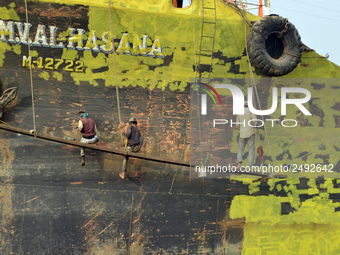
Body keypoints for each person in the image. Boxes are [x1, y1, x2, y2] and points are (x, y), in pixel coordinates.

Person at [235, 102, 258, 169]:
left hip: (242, 134)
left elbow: (237, 125)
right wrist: (255, 126)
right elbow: (255, 120)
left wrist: (241, 129)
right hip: (250, 132)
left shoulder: (239, 112)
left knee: (240, 149)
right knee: (251, 150)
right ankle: (250, 167)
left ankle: (239, 165)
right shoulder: (251, 110)